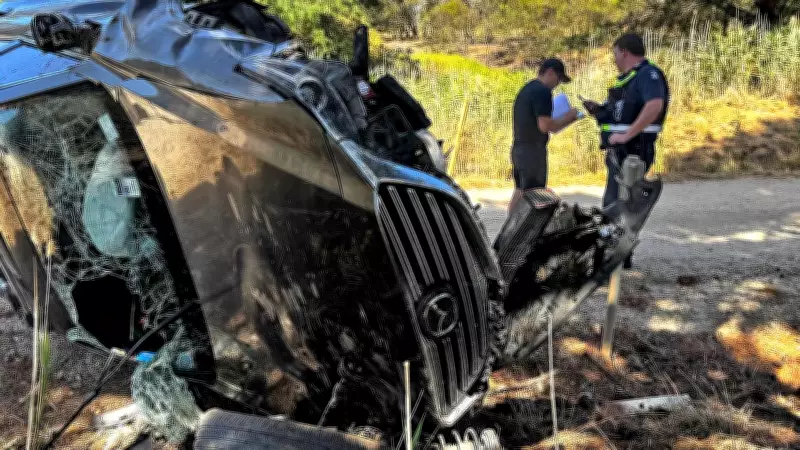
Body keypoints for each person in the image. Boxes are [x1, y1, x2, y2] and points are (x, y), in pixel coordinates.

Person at [582, 33, 670, 269]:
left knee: (619, 204)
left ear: (624, 51)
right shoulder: (629, 81)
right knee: (616, 202)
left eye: (614, 53)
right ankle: (615, 257)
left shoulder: (647, 76)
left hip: (634, 150)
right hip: (620, 152)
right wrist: (599, 111)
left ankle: (615, 259)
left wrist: (627, 134)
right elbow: (621, 114)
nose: (614, 59)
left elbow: (654, 106)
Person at [509, 58, 580, 211]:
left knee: (520, 191)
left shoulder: (528, 88)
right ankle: (526, 232)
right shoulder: (543, 92)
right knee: (534, 197)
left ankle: (511, 230)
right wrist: (570, 117)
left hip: (519, 149)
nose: (558, 84)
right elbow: (545, 126)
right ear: (550, 72)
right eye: (559, 79)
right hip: (533, 153)